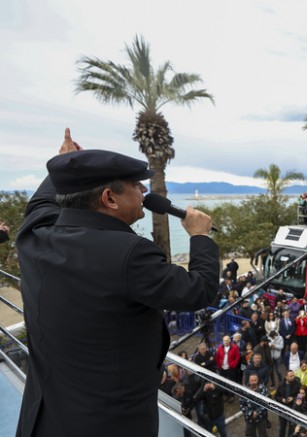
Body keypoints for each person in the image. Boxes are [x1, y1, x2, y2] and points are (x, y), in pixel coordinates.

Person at [15, 129, 219, 437]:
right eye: (135, 184)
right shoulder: (129, 254)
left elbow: (41, 204)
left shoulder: (34, 235)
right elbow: (199, 289)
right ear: (109, 198)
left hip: (47, 417)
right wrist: (200, 236)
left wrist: (68, 165)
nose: (143, 190)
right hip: (112, 425)